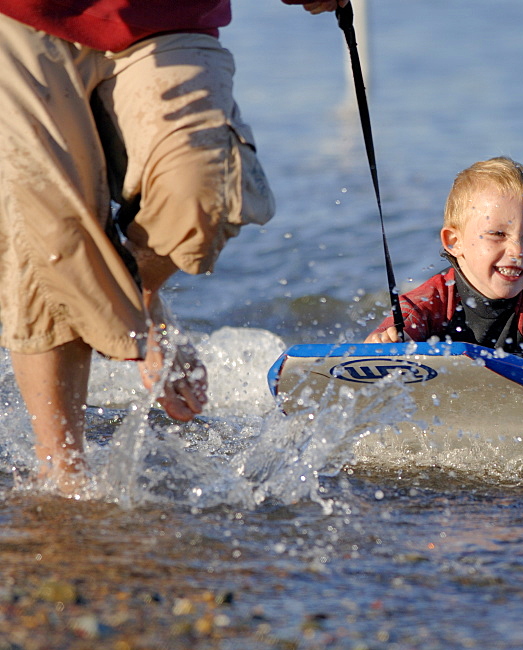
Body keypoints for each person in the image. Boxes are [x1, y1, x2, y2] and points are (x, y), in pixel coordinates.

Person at [0, 0, 346, 494]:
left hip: (168, 12)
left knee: (204, 192)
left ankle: (140, 300)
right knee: (51, 239)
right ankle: (63, 476)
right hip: (21, 15)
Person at [366, 157, 523, 390]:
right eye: (498, 234)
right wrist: (389, 345)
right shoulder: (427, 303)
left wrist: (509, 369)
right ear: (454, 242)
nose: (518, 251)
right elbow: (370, 355)